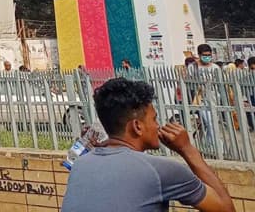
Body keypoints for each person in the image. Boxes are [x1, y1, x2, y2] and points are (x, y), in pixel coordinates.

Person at [62, 78, 234, 212]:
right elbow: (226, 209)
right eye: (154, 119)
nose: (158, 125)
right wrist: (187, 149)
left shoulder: (81, 165)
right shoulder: (161, 170)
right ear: (137, 126)